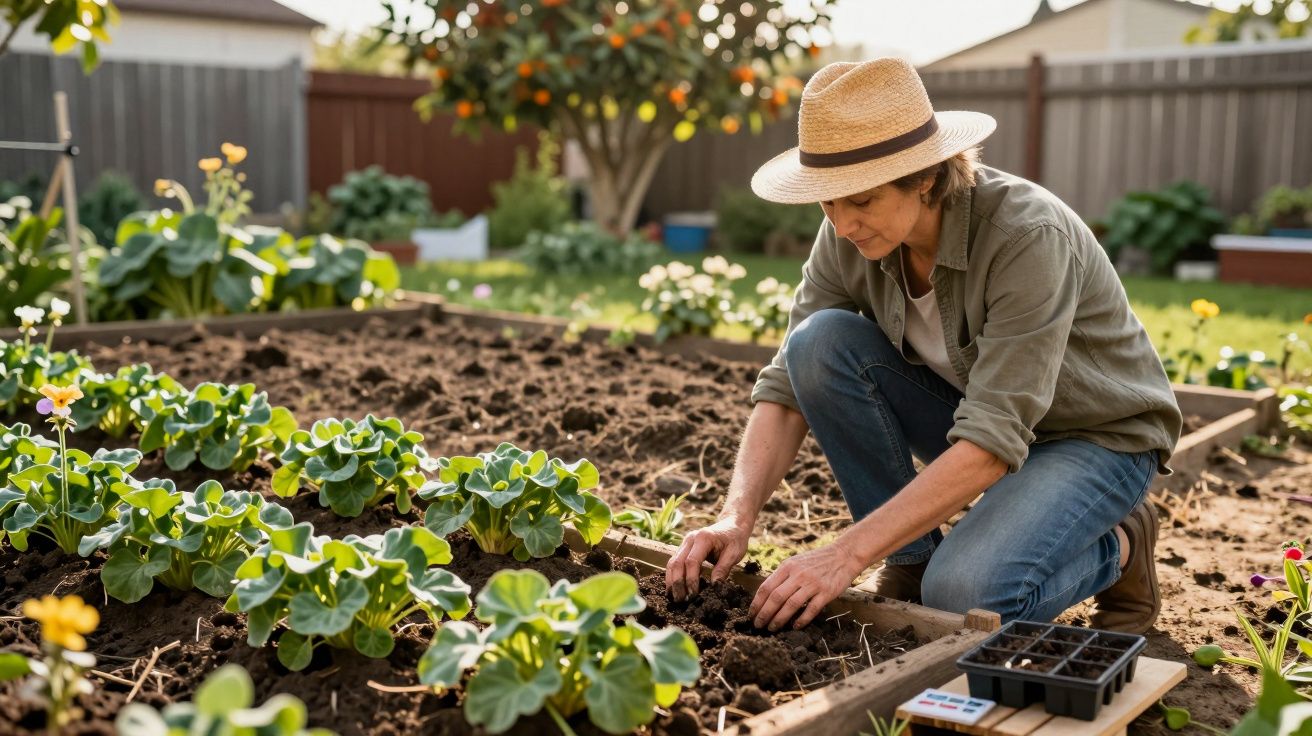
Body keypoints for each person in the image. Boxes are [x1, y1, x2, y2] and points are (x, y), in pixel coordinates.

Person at [663, 57, 1181, 635]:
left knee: (964, 598)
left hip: (1095, 439)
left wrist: (846, 554)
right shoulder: (847, 235)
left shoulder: (1027, 237)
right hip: (988, 425)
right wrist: (735, 519)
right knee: (817, 343)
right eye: (827, 202)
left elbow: (990, 437)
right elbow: (788, 385)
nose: (841, 223)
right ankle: (910, 562)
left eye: (860, 201)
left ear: (926, 176)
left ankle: (1122, 544)